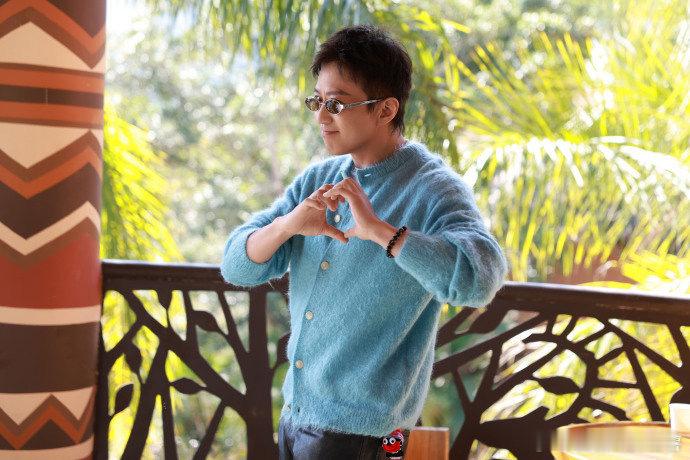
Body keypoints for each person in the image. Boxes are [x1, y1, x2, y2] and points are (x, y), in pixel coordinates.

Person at [220, 24, 508, 460]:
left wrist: (381, 232)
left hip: (367, 434)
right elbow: (235, 264)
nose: (321, 117)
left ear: (386, 109)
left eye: (336, 104)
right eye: (317, 101)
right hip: (296, 415)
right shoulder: (318, 180)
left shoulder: (432, 188)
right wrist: (288, 225)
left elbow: (479, 279)